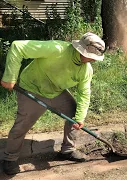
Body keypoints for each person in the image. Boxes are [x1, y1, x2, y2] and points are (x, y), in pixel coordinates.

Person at [1, 32, 105, 175]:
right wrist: (10, 76)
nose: (93, 60)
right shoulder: (56, 49)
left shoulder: (86, 70)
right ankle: (10, 159)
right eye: (91, 57)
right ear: (80, 49)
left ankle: (67, 150)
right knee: (22, 125)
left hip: (55, 91)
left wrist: (80, 118)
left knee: (74, 111)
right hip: (32, 88)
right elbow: (18, 46)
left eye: (95, 58)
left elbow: (84, 93)